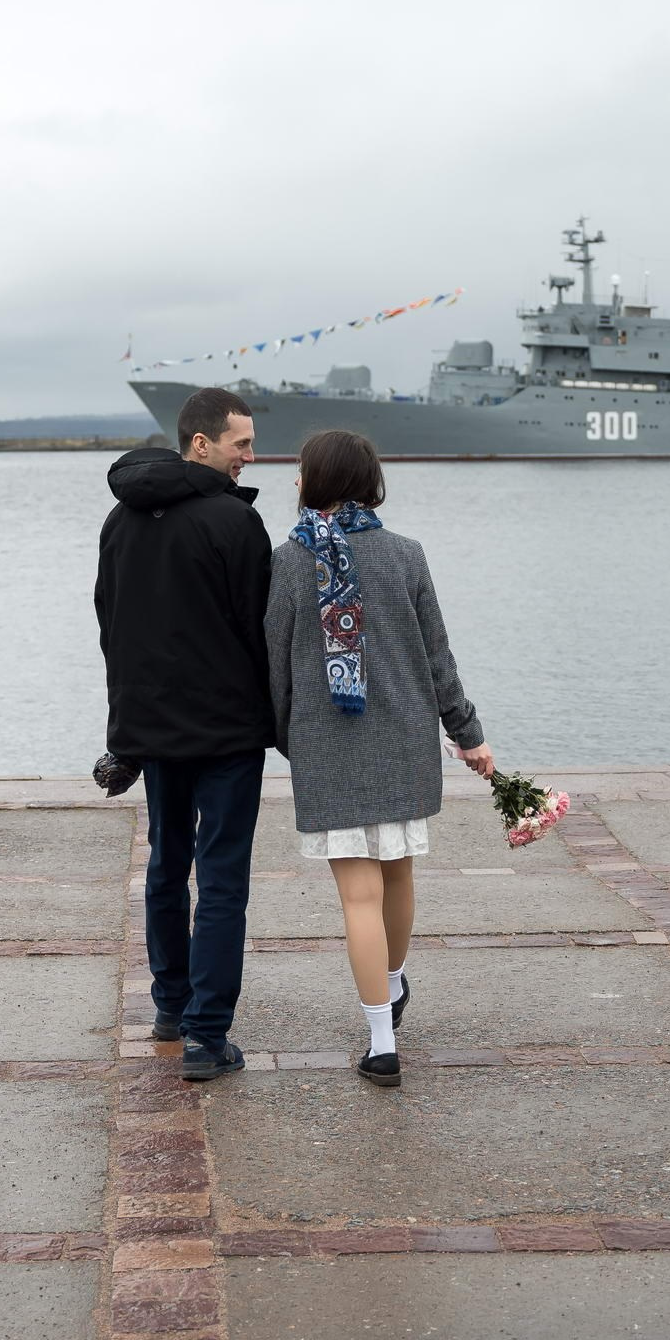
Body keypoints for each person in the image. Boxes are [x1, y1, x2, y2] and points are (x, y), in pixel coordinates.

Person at [266, 428, 493, 1087]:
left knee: (357, 899)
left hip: (329, 747)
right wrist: (468, 732)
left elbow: (274, 670)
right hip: (402, 740)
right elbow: (436, 658)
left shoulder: (288, 562)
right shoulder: (406, 555)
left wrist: (291, 737)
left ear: (315, 481)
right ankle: (392, 986)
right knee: (397, 879)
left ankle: (382, 1041)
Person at [96, 387, 272, 1081]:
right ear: (200, 443)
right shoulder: (234, 524)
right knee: (223, 879)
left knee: (168, 868)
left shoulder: (120, 519)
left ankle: (170, 1006)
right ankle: (205, 1036)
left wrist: (125, 733)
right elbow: (262, 631)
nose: (250, 457)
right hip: (227, 733)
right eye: (241, 445)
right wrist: (279, 721)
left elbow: (112, 627)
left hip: (156, 731)